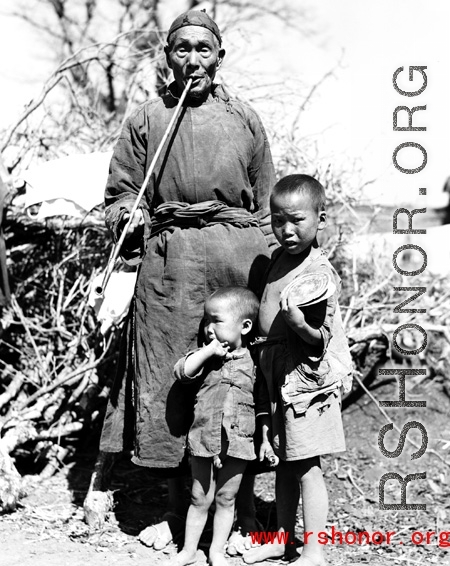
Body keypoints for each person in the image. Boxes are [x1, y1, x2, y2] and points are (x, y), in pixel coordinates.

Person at [99, 9, 275, 550]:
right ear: (167, 57)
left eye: (204, 49)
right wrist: (129, 216)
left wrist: (271, 272)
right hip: (170, 266)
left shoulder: (245, 118)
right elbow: (119, 195)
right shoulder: (147, 119)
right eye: (182, 49)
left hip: (236, 259)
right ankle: (179, 516)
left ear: (220, 56)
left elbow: (267, 202)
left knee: (243, 380)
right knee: (172, 381)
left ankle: (243, 514)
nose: (193, 59)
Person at [244, 174, 353, 566]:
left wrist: (299, 324)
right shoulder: (277, 260)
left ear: (320, 220)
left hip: (305, 381)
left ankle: (315, 549)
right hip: (274, 374)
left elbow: (320, 339)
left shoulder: (318, 273)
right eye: (277, 220)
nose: (286, 230)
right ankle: (282, 539)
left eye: (296, 220)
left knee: (308, 466)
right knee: (286, 464)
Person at [167, 287, 277, 566]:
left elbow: (263, 404)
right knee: (199, 498)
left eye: (216, 321)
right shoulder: (205, 358)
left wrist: (265, 439)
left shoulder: (254, 361)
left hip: (239, 441)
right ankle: (189, 551)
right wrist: (207, 352)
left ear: (245, 326)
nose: (208, 328)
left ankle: (216, 550)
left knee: (227, 498)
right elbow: (182, 371)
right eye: (206, 321)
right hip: (204, 438)